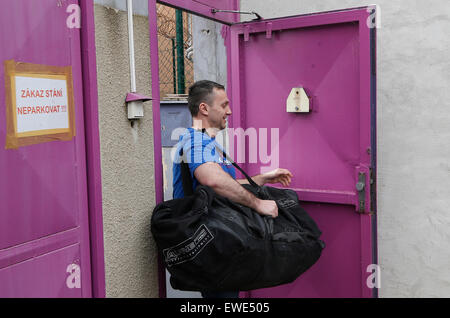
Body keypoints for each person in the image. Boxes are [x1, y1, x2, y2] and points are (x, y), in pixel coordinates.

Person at [172, 80, 293, 298]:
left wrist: (261, 179)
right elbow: (212, 180)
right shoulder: (194, 140)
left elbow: (223, 185)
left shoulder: (209, 144)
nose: (229, 111)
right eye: (224, 105)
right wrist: (258, 203)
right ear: (204, 108)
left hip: (220, 242)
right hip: (210, 245)